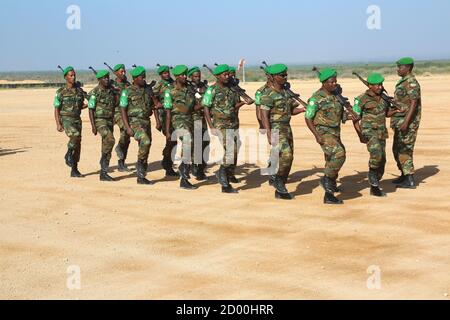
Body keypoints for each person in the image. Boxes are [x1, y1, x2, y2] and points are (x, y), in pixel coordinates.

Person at [305, 68, 358, 204]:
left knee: (330, 159)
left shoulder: (336, 96)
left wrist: (349, 116)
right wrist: (316, 135)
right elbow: (308, 117)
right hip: (323, 131)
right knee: (339, 154)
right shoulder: (316, 98)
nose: (334, 84)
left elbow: (338, 115)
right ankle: (327, 184)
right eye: (331, 82)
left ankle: (330, 183)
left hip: (335, 131)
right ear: (324, 83)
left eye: (335, 81)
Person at [260, 64, 305, 200]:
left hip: (286, 127)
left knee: (290, 156)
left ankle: (280, 183)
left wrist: (302, 110)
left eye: (286, 75)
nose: (285, 77)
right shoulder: (268, 94)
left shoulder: (285, 92)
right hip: (275, 128)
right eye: (282, 75)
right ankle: (279, 181)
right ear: (273, 77)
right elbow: (264, 115)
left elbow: (291, 111)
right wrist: (268, 133)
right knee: (287, 155)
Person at [352, 73, 400, 197]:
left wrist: (395, 110)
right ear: (369, 86)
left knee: (382, 160)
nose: (379, 87)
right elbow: (355, 118)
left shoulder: (384, 98)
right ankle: (374, 186)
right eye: (376, 85)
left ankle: (376, 181)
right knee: (376, 154)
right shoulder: (361, 99)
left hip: (381, 132)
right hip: (369, 132)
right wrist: (360, 134)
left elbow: (386, 113)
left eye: (380, 84)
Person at [202, 64, 244, 193]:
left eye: (228, 74)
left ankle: (228, 173)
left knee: (236, 149)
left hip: (233, 123)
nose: (227, 77)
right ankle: (223, 177)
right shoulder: (212, 90)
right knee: (231, 150)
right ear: (217, 76)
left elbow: (233, 106)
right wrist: (211, 125)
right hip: (220, 124)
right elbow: (206, 107)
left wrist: (243, 102)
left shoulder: (232, 89)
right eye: (224, 75)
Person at [164, 65, 204, 189]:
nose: (185, 77)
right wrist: (167, 130)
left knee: (191, 146)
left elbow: (195, 107)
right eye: (182, 75)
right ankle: (184, 178)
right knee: (188, 141)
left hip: (190, 119)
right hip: (178, 119)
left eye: (185, 74)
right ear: (176, 76)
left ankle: (185, 171)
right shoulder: (170, 91)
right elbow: (168, 112)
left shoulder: (190, 89)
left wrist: (204, 102)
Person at [119, 66, 157, 185]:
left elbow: (155, 105)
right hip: (134, 122)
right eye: (141, 77)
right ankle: (140, 175)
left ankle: (142, 171)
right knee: (145, 141)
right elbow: (123, 110)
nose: (144, 79)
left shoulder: (147, 90)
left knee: (146, 146)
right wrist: (127, 127)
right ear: (134, 78)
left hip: (146, 122)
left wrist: (152, 96)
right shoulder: (127, 91)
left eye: (144, 77)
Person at [391, 57, 422, 189]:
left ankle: (409, 179)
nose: (398, 69)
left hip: (407, 123)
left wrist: (406, 122)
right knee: (396, 149)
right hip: (400, 121)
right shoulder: (403, 82)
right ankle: (404, 174)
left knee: (404, 149)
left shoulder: (411, 82)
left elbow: (414, 103)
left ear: (408, 68)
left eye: (400, 67)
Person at [53, 66, 87, 177]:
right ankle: (67, 153)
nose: (73, 77)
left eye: (74, 75)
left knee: (77, 143)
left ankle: (74, 169)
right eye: (71, 75)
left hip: (77, 118)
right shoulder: (61, 92)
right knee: (74, 136)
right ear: (66, 77)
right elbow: (56, 108)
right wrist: (58, 123)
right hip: (66, 119)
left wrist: (88, 105)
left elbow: (81, 105)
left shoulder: (79, 91)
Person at [88, 70, 117, 181]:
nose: (106, 79)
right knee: (110, 140)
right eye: (104, 78)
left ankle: (103, 171)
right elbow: (91, 109)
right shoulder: (95, 92)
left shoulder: (111, 91)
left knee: (106, 144)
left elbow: (115, 103)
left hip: (109, 121)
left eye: (107, 77)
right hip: (100, 121)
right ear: (99, 80)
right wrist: (93, 126)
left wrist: (116, 92)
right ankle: (103, 165)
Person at [153, 65, 178, 177]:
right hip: (164, 117)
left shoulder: (173, 83)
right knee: (171, 140)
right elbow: (154, 101)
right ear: (160, 75)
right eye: (164, 73)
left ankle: (166, 161)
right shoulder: (159, 85)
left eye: (168, 72)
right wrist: (157, 121)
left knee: (173, 141)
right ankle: (168, 165)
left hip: (175, 116)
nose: (167, 74)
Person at [188, 66, 209, 181]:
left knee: (205, 142)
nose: (198, 78)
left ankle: (201, 167)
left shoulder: (204, 87)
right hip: (193, 118)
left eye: (199, 76)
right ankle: (196, 167)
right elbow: (189, 107)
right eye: (195, 76)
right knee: (196, 144)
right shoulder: (188, 88)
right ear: (190, 77)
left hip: (203, 118)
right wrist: (203, 103)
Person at [111, 64, 132, 172]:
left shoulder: (128, 85)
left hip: (127, 112)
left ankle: (121, 162)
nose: (123, 73)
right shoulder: (111, 85)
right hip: (116, 112)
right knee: (125, 129)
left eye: (124, 71)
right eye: (121, 72)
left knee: (127, 138)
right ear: (115, 73)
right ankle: (119, 147)